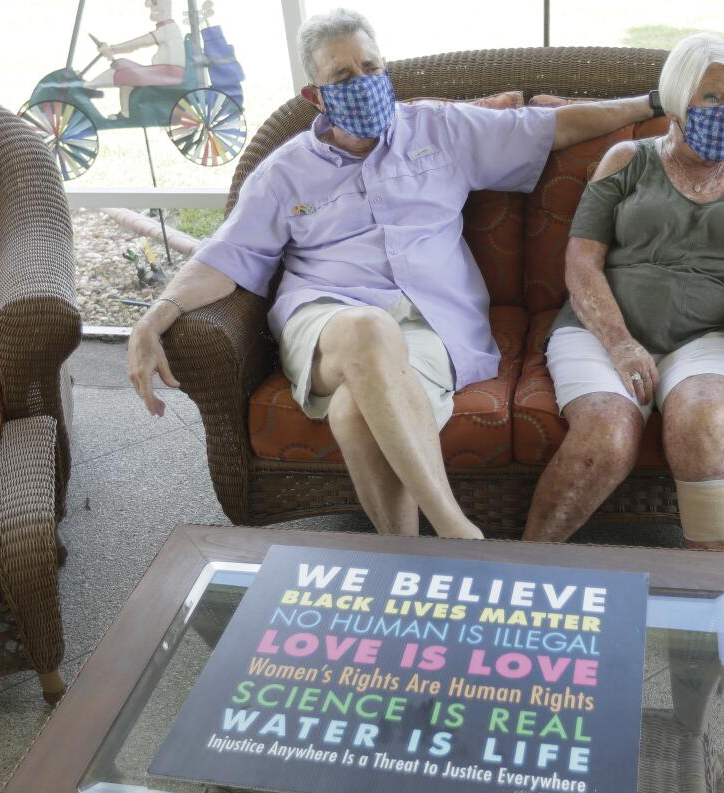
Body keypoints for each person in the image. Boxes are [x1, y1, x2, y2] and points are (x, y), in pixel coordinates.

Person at [127, 8, 657, 540]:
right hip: (325, 318)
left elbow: (549, 127)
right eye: (343, 76)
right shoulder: (285, 171)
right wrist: (157, 314)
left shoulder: (439, 129)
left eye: (371, 67)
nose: (363, 83)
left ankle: (402, 557)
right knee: (366, 328)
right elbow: (227, 257)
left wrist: (651, 104)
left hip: (429, 324)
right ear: (316, 96)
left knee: (356, 415)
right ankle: (456, 532)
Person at [523, 33, 724, 551]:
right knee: (606, 436)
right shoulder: (627, 161)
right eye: (712, 98)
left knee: (707, 419)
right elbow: (581, 263)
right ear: (677, 103)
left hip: (714, 336)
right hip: (603, 333)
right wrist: (621, 342)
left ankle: (710, 591)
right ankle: (527, 564)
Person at [85, 0, 186, 118]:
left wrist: (113, 49)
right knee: (122, 64)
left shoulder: (168, 29)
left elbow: (142, 42)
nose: (149, 6)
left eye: (154, 2)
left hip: (168, 73)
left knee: (125, 72)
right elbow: (137, 45)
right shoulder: (166, 28)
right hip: (163, 71)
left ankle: (91, 87)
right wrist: (113, 50)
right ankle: (91, 86)